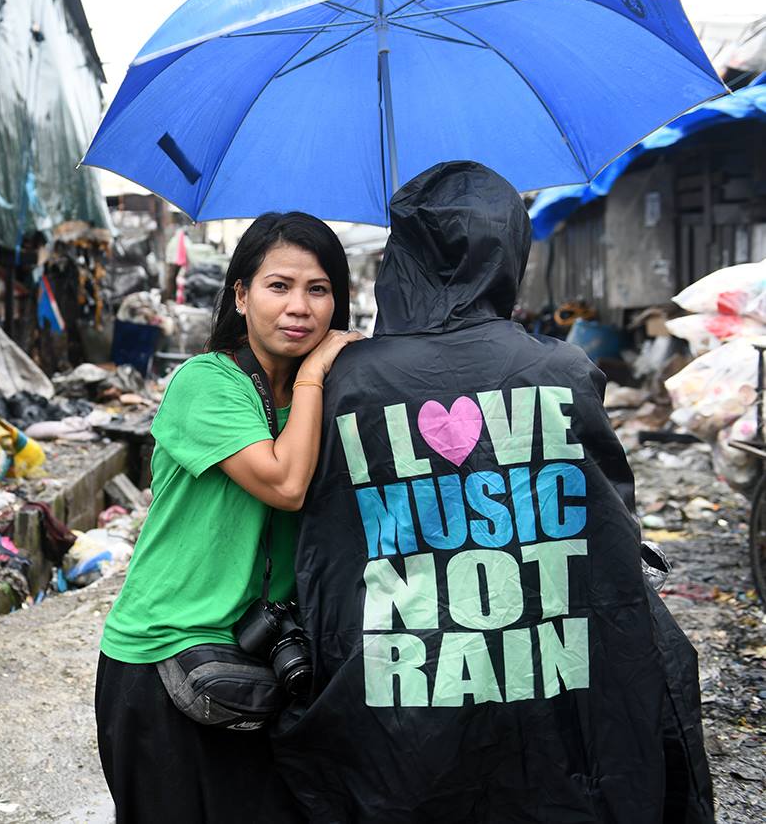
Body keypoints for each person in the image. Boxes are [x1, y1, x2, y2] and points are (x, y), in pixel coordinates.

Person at [272, 161, 713, 823]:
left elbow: (326, 549)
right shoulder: (563, 370)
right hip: (549, 678)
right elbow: (607, 524)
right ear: (510, 252)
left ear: (402, 260)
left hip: (404, 695)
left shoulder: (350, 378)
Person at [94, 211, 362, 823]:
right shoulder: (206, 383)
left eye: (318, 289)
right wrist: (315, 373)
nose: (299, 307)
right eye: (279, 286)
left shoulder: (330, 395)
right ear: (241, 296)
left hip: (265, 659)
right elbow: (285, 483)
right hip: (164, 659)